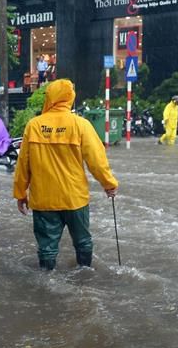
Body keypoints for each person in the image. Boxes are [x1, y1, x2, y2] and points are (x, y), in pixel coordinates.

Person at [13, 79, 118, 271]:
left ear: (50, 97)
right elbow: (97, 160)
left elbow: (23, 164)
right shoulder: (81, 125)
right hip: (74, 198)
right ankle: (85, 275)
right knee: (83, 242)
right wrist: (108, 184)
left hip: (44, 200)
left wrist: (20, 193)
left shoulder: (34, 126)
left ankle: (46, 283)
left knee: (47, 249)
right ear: (70, 98)